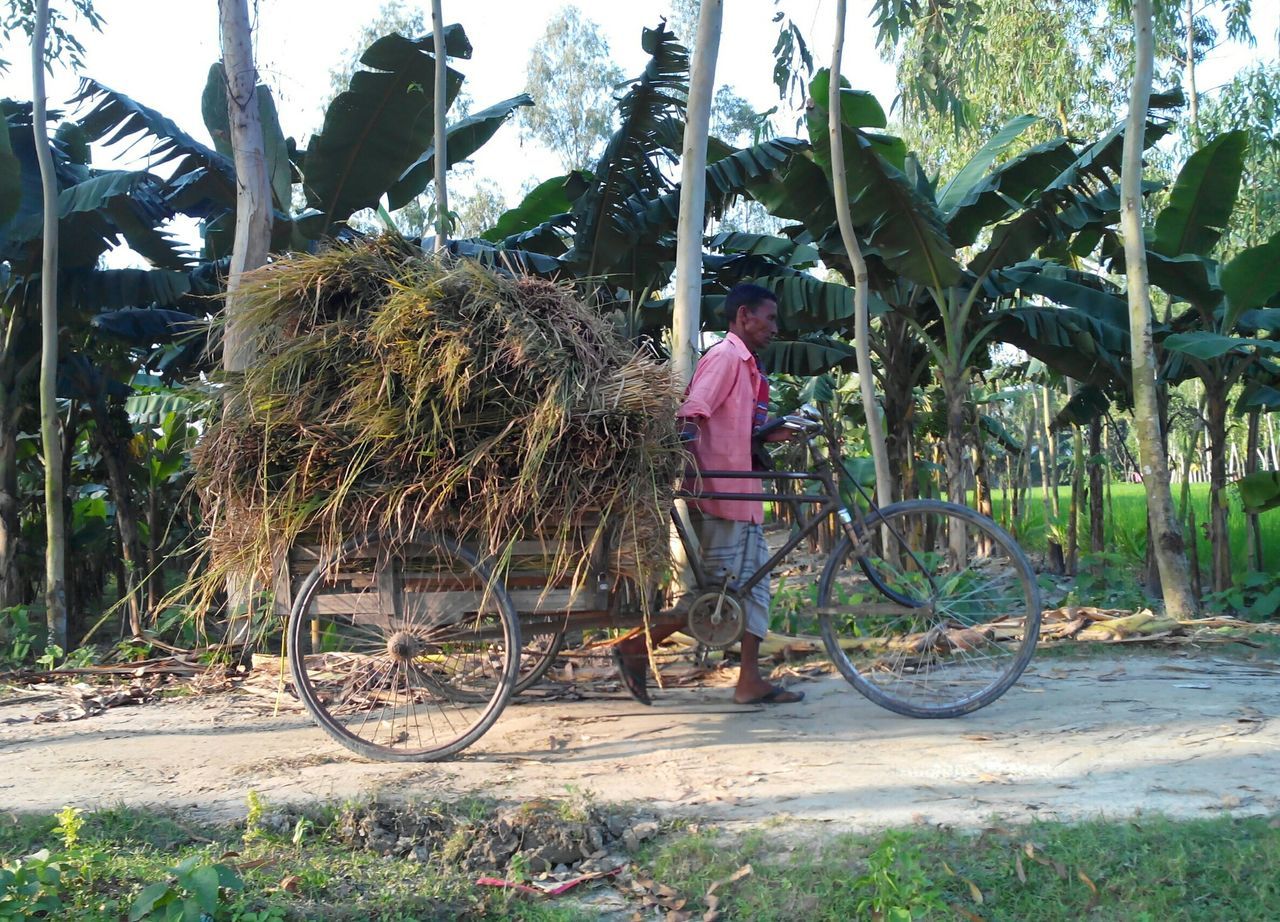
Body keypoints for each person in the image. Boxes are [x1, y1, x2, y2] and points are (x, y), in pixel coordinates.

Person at [613, 283, 805, 706]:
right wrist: (673, 472)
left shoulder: (749, 367)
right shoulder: (724, 357)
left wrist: (773, 431)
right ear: (742, 317)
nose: (775, 327)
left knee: (753, 588)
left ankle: (749, 681)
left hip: (743, 495)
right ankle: (633, 646)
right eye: (769, 318)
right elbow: (693, 410)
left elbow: (734, 429)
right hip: (720, 493)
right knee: (715, 593)